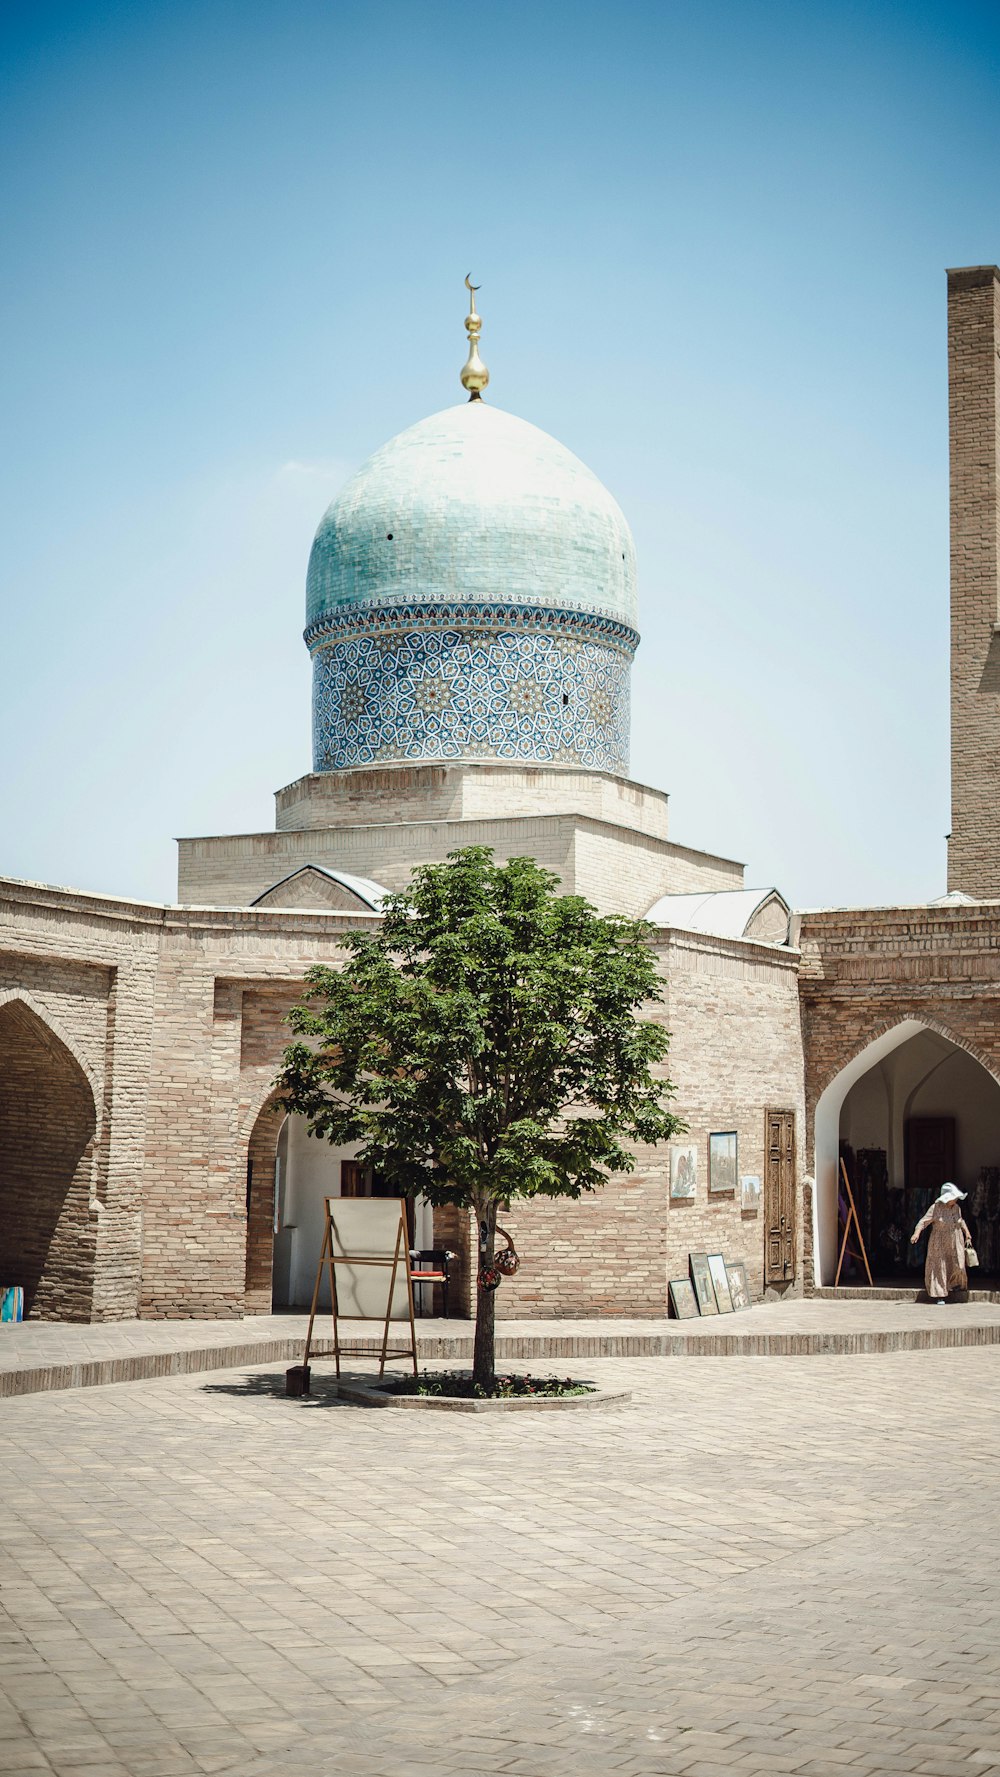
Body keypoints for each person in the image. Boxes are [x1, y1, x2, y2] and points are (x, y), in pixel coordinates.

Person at [910, 1182, 972, 1303]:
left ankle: (953, 1285)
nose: (955, 1200)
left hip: (955, 1240)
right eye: (953, 1198)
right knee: (939, 1267)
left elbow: (960, 1221)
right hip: (939, 1242)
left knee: (958, 1263)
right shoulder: (936, 1208)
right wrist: (916, 1233)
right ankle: (940, 1295)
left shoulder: (956, 1208)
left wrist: (967, 1233)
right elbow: (923, 1222)